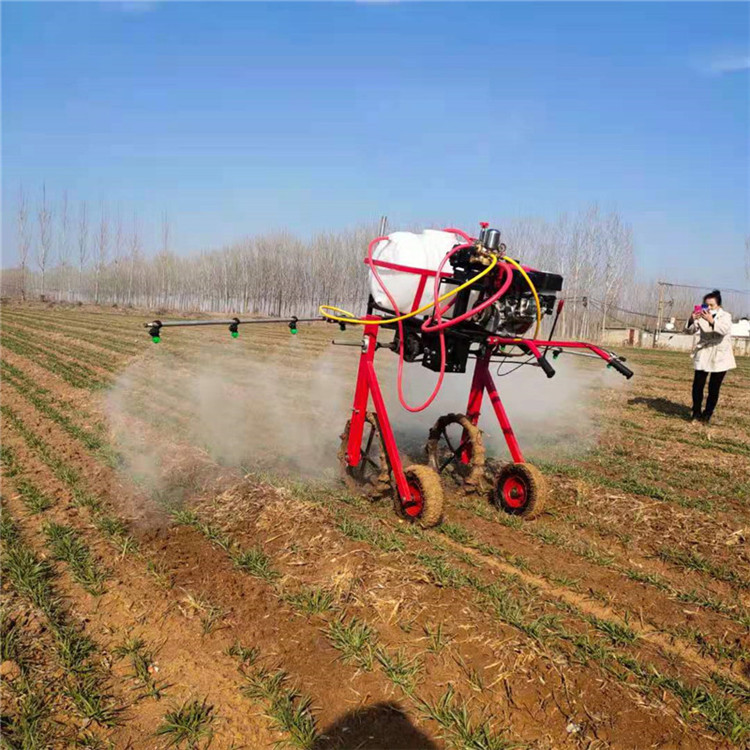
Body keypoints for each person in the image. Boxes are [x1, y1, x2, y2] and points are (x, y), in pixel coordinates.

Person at [685, 290, 735, 424]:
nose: (708, 308)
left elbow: (723, 330)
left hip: (720, 354)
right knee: (697, 385)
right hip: (704, 352)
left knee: (714, 387)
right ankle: (696, 412)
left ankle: (707, 414)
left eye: (711, 305)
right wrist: (691, 319)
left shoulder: (725, 316)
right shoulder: (700, 316)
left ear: (718, 305)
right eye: (705, 305)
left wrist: (711, 320)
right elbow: (689, 331)